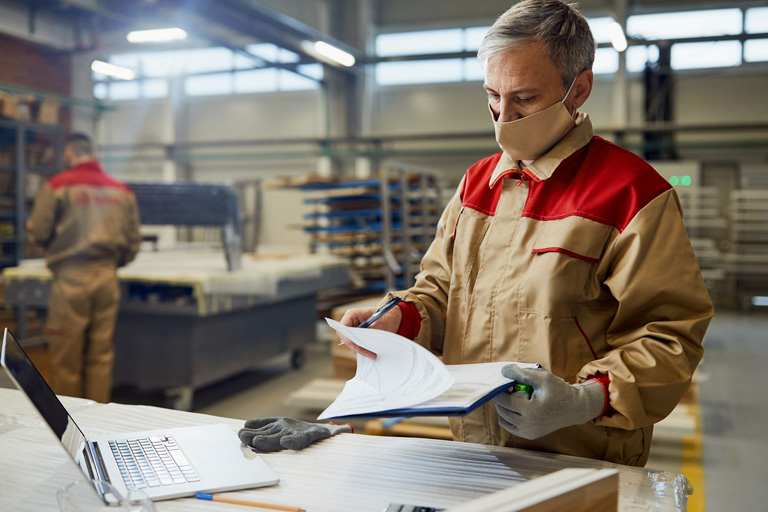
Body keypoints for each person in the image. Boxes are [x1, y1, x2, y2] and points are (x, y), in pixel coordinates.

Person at [337, 0, 713, 466]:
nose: (503, 117)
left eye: (525, 98)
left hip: (583, 455)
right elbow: (439, 291)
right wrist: (399, 321)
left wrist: (584, 400)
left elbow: (670, 335)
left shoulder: (631, 193)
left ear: (579, 90)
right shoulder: (477, 183)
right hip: (475, 448)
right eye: (493, 95)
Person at [26, 133, 141, 403]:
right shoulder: (121, 190)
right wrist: (112, 264)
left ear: (68, 153)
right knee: (101, 355)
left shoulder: (57, 186)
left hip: (71, 279)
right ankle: (98, 420)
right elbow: (133, 242)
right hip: (107, 277)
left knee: (67, 357)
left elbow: (38, 232)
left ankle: (70, 424)